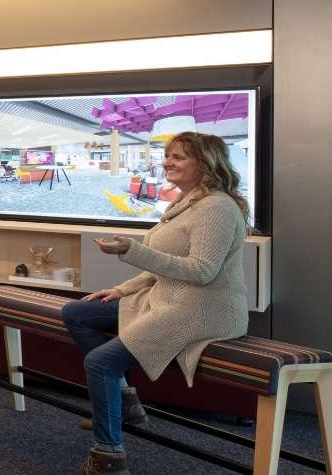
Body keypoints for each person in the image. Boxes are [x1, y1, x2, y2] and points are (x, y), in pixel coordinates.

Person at [60, 132, 249, 475]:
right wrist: (123, 289)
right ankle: (127, 403)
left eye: (178, 157)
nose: (167, 162)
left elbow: (202, 271)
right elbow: (164, 264)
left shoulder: (216, 207)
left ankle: (108, 454)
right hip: (170, 298)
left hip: (202, 310)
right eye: (167, 156)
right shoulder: (186, 203)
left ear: (205, 163)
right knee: (78, 313)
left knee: (101, 362)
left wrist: (131, 250)